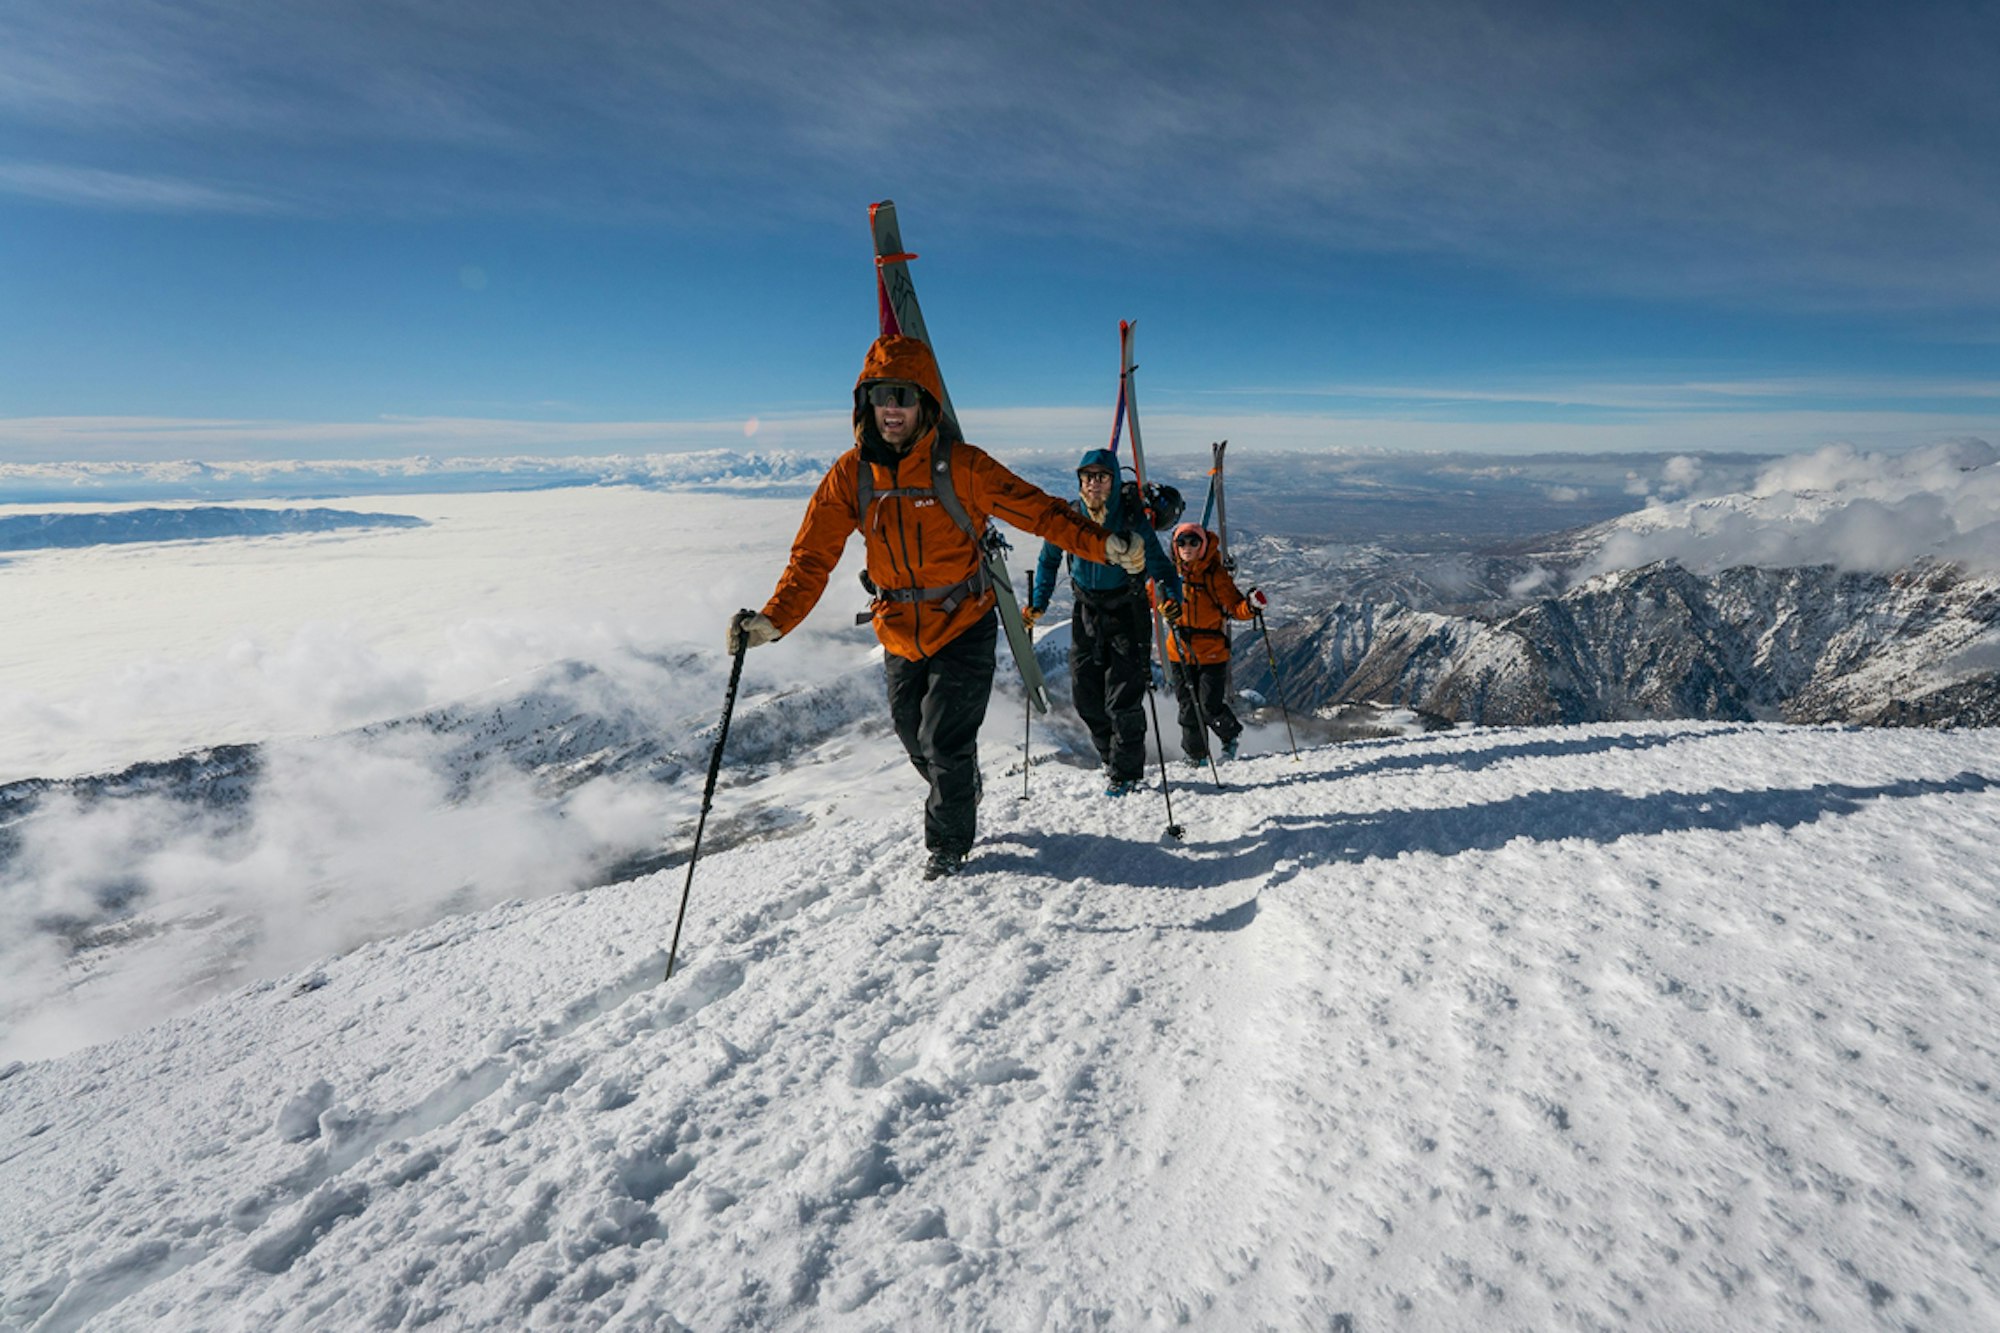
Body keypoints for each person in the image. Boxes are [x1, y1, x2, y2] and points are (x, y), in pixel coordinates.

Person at [729, 334, 1147, 879]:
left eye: (903, 395)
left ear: (925, 402)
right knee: (915, 738)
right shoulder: (852, 475)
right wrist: (774, 619)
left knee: (944, 740)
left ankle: (947, 849)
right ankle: (962, 788)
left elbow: (1040, 513)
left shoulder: (962, 467)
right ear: (864, 404)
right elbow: (812, 556)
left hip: (963, 621)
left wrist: (1104, 544)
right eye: (880, 395)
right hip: (897, 630)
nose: (891, 407)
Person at [1026, 450, 1181, 796]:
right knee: (1085, 697)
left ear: (1114, 480)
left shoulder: (1131, 519)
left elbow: (1162, 567)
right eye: (1087, 476)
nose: (1093, 483)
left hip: (1128, 612)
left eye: (1101, 476)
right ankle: (1111, 759)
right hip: (1086, 612)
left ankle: (1126, 774)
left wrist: (1172, 598)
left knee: (1124, 699)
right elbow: (1048, 560)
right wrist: (1038, 602)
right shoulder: (1069, 517)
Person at [1159, 522, 1265, 764]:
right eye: (1181, 542)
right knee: (1188, 708)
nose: (1187, 547)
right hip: (1180, 651)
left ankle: (1230, 734)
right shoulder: (1169, 574)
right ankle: (1196, 756)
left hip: (1211, 652)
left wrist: (1251, 607)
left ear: (1203, 545)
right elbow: (1152, 597)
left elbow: (1235, 606)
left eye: (1193, 542)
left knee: (1209, 706)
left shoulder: (1215, 575)